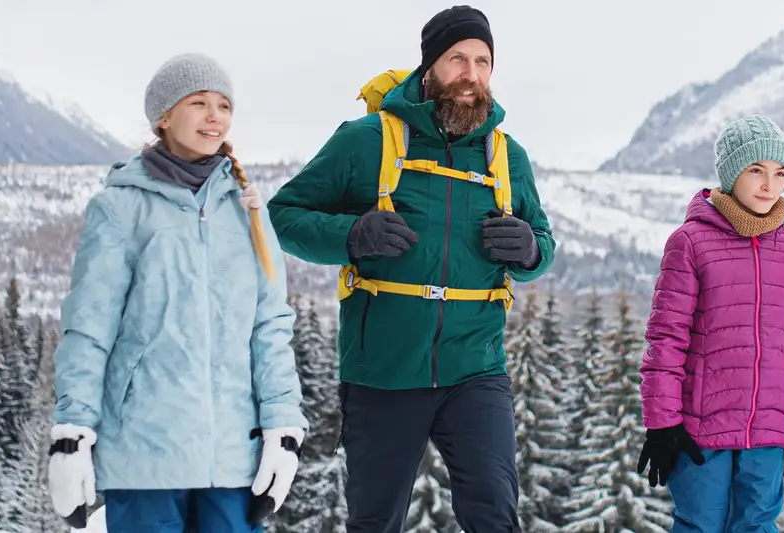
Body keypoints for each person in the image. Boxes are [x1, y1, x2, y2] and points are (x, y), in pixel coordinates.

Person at [266, 5, 553, 533]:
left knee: (495, 512)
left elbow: (544, 242)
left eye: (483, 62)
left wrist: (530, 251)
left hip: (476, 368)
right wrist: (351, 236)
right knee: (375, 521)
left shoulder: (507, 156)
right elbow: (283, 215)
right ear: (429, 67)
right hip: (383, 370)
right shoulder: (366, 139)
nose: (471, 74)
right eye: (458, 58)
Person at [46, 52, 309, 533]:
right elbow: (89, 327)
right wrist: (72, 434)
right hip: (145, 454)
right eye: (199, 103)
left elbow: (269, 327)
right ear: (164, 116)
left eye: (224, 106)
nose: (215, 117)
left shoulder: (247, 211)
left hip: (233, 455)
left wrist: (283, 428)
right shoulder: (120, 207)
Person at [638, 115, 784, 532]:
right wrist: (662, 424)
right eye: (756, 170)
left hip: (768, 429)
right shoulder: (690, 243)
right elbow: (665, 340)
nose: (769, 185)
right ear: (730, 174)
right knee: (700, 524)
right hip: (700, 431)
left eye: (780, 174)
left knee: (758, 524)